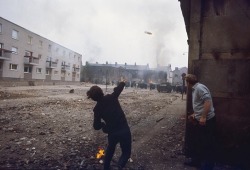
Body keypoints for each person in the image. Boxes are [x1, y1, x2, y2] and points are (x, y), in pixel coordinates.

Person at [87, 80, 131, 170]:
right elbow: (119, 89)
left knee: (110, 151)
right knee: (126, 152)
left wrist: (103, 125)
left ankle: (106, 168)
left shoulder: (97, 109)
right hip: (124, 129)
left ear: (93, 98)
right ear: (101, 92)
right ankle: (119, 166)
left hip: (112, 132)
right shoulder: (112, 97)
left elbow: (96, 126)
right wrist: (122, 82)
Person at [184, 74, 216, 170]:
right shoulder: (196, 88)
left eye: (186, 82)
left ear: (188, 82)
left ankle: (208, 166)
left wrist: (203, 117)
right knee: (198, 142)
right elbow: (200, 104)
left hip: (207, 121)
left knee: (207, 143)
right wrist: (195, 114)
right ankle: (196, 162)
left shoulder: (199, 88)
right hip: (200, 119)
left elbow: (207, 101)